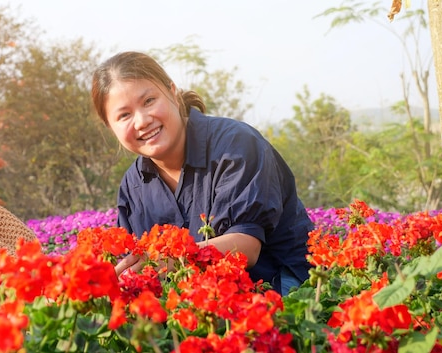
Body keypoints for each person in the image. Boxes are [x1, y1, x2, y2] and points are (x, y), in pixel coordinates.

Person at [90, 51, 313, 295]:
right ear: (111, 127)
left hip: (278, 282)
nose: (142, 121)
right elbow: (136, 266)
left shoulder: (235, 145)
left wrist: (167, 262)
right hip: (199, 298)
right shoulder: (133, 186)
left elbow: (246, 247)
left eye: (149, 101)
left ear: (172, 92)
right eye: (124, 115)